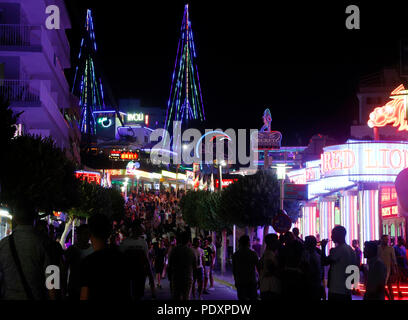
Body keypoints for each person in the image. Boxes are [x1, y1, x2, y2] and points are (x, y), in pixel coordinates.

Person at [0, 210, 54, 300]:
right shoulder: (45, 244)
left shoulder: (3, 244)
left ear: (15, 219)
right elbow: (52, 281)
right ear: (35, 219)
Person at [79, 214, 131, 300]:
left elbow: (84, 296)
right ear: (109, 232)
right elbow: (128, 292)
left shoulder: (88, 262)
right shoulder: (122, 258)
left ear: (90, 233)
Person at [120, 220, 155, 301]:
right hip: (129, 273)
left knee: (138, 295)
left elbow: (146, 259)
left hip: (139, 273)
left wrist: (150, 275)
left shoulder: (143, 242)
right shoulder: (125, 243)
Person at [321, 225, 357, 301]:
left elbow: (324, 262)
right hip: (346, 290)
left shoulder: (339, 249)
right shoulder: (351, 250)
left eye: (333, 234)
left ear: (339, 235)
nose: (331, 236)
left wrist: (323, 247)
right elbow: (354, 271)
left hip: (336, 289)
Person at [63, 224, 94, 300]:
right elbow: (65, 269)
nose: (87, 236)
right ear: (79, 234)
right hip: (74, 288)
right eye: (84, 233)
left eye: (88, 233)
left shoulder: (93, 249)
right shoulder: (71, 250)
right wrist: (64, 287)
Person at [167, 231, 196, 300]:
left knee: (176, 296)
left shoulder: (174, 250)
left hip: (176, 277)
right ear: (188, 241)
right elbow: (194, 266)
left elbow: (170, 264)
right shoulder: (191, 251)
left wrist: (170, 277)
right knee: (186, 297)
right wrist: (194, 278)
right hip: (187, 277)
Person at [232, 235, 259, 300]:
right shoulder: (253, 254)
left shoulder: (236, 255)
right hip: (251, 281)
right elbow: (258, 267)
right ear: (248, 243)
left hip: (240, 281)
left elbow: (234, 270)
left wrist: (236, 280)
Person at [258, 234, 281, 300]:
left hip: (266, 286)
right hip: (270, 287)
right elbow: (271, 269)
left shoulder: (267, 253)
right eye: (276, 241)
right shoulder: (269, 254)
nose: (277, 242)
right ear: (272, 243)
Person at [300, 236, 322, 300]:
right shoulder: (317, 253)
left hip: (310, 284)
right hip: (314, 283)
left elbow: (307, 268)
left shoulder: (307, 254)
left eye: (306, 242)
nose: (304, 244)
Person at [377, 234, 398, 300]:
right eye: (385, 239)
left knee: (388, 285)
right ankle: (389, 297)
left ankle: (391, 297)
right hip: (379, 270)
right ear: (381, 239)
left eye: (387, 239)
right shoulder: (378, 248)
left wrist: (395, 270)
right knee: (383, 285)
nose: (386, 240)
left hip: (387, 270)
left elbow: (394, 260)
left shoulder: (390, 248)